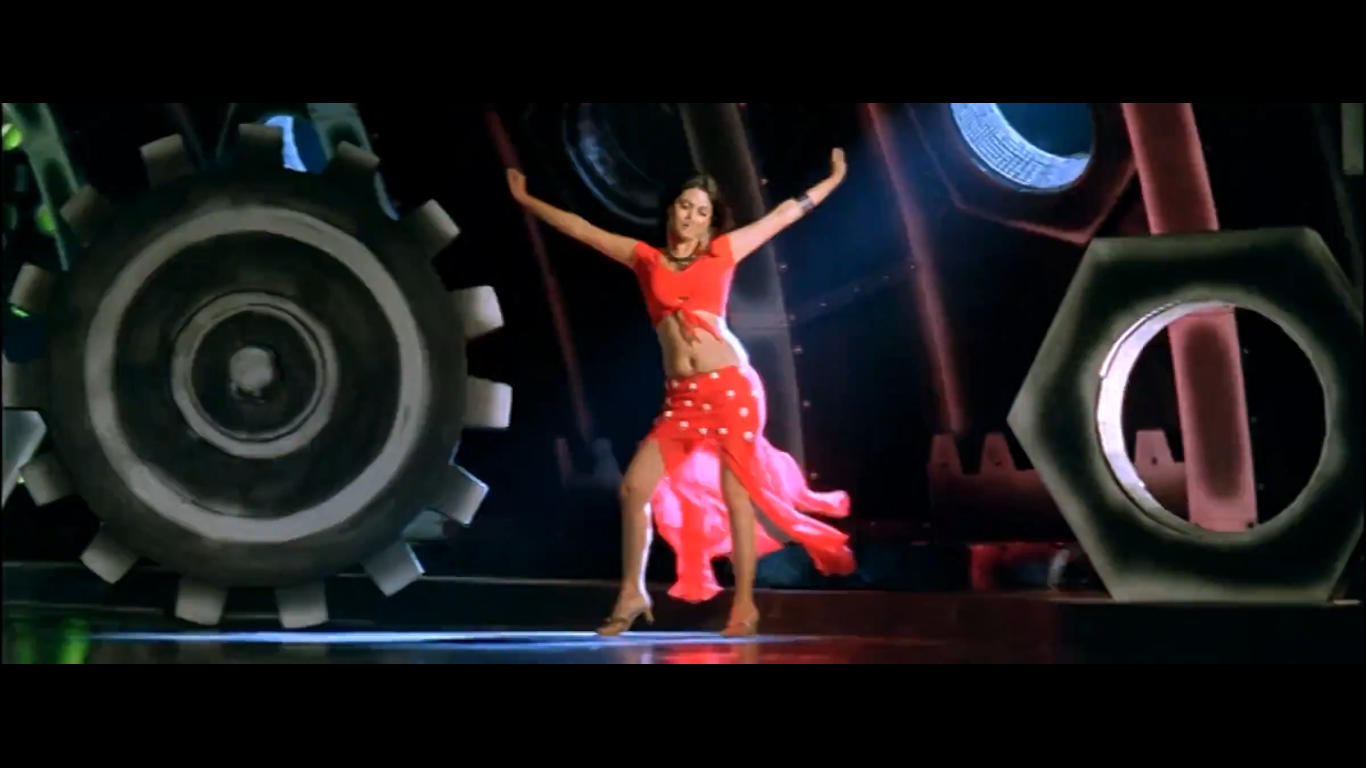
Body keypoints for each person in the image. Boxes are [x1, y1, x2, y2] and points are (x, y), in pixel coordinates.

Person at [505, 149, 855, 637]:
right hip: (683, 399)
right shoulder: (645, 259)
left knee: (737, 495)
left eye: (702, 211)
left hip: (731, 389)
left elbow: (782, 216)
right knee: (634, 488)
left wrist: (833, 179)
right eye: (685, 206)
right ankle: (632, 593)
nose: (691, 216)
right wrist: (526, 199)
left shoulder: (722, 253)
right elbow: (582, 229)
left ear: (711, 222)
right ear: (671, 210)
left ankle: (745, 606)